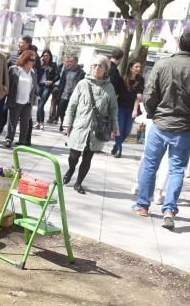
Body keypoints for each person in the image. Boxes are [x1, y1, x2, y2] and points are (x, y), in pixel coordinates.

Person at [133, 31, 190, 229]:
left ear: (179, 45)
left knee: (150, 165)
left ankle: (142, 205)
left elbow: (149, 95)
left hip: (161, 123)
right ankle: (169, 209)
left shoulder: (163, 64)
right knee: (176, 170)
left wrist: (151, 113)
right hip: (184, 127)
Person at [62, 54, 119, 194]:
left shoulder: (109, 88)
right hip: (80, 126)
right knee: (74, 155)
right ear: (90, 67)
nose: (97, 68)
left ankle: (78, 183)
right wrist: (67, 123)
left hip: (97, 129)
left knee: (88, 157)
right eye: (95, 65)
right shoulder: (83, 84)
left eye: (101, 66)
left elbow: (113, 109)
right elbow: (72, 105)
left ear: (106, 69)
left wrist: (115, 128)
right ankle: (70, 169)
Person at [6, 35, 41, 144]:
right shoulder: (14, 70)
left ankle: (22, 141)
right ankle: (9, 139)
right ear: (25, 60)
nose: (33, 62)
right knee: (12, 121)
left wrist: (36, 96)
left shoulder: (33, 73)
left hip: (27, 102)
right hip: (15, 100)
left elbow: (34, 87)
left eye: (34, 60)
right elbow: (8, 84)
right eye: (31, 60)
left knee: (25, 123)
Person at [110, 59, 144, 158]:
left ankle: (116, 145)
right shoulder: (122, 79)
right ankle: (119, 148)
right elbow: (116, 93)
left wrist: (135, 110)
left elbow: (138, 96)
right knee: (119, 128)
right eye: (136, 67)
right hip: (120, 106)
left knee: (127, 130)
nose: (138, 69)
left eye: (139, 67)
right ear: (130, 68)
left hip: (132, 108)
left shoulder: (141, 80)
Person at [57, 55, 85, 131]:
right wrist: (59, 94)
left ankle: (67, 126)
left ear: (76, 62)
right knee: (61, 110)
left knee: (70, 112)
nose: (69, 63)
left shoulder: (81, 73)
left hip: (74, 96)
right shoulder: (66, 70)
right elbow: (62, 83)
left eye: (71, 62)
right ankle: (63, 122)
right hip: (64, 94)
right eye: (69, 61)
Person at [35, 49, 59, 130]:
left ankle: (41, 123)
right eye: (44, 55)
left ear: (50, 56)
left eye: (47, 55)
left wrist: (51, 81)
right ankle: (38, 123)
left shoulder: (53, 65)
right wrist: (40, 64)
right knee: (39, 105)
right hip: (39, 86)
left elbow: (58, 76)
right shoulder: (39, 64)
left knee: (41, 105)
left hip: (47, 87)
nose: (45, 57)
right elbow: (35, 73)